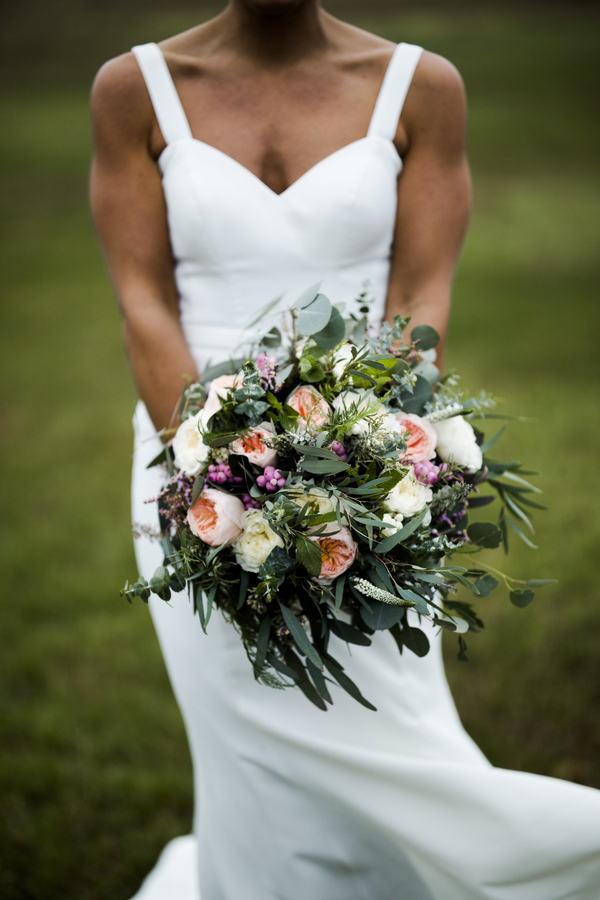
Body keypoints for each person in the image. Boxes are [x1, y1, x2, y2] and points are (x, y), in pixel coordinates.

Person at [90, 2, 600, 898]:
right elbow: (141, 296)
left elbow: (422, 290)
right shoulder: (134, 89)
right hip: (186, 478)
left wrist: (365, 455)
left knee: (391, 725)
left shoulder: (422, 86)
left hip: (369, 471)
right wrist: (208, 467)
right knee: (244, 737)